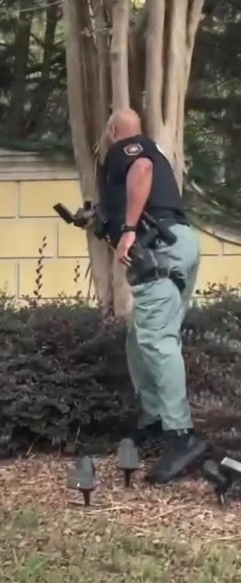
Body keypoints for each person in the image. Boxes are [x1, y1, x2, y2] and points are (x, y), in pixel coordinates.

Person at [99, 108, 206, 484]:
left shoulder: (129, 148)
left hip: (159, 249)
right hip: (177, 243)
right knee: (142, 338)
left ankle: (181, 435)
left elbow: (140, 170)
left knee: (157, 339)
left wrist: (127, 229)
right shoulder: (152, 151)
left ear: (113, 132)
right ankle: (155, 420)